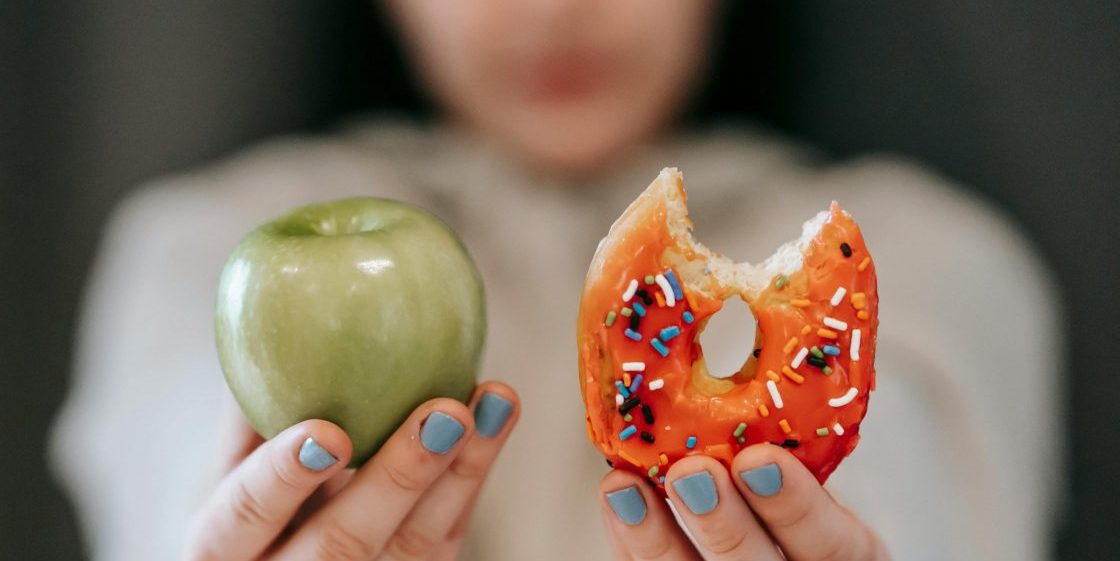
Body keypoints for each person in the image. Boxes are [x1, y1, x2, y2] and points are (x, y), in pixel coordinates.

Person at [49, 1, 1063, 560]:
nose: (555, 8)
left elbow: (915, 492)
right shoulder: (195, 247)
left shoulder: (931, 255)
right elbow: (175, 462)